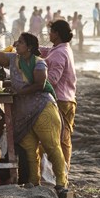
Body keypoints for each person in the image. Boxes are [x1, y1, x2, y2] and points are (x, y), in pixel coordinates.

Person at [0, 32, 70, 198]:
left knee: (52, 146)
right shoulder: (12, 59)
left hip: (42, 107)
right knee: (29, 149)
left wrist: (18, 90)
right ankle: (34, 183)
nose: (16, 44)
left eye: (20, 42)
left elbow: (40, 84)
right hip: (22, 111)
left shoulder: (39, 63)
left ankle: (61, 183)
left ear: (29, 47)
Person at [40, 20, 77, 173]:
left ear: (57, 34)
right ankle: (62, 172)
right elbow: (47, 51)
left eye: (51, 31)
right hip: (68, 98)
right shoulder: (62, 48)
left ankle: (60, 173)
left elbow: (53, 79)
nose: (49, 34)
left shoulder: (60, 53)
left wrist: (34, 77)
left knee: (58, 140)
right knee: (64, 139)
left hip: (61, 100)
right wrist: (30, 47)